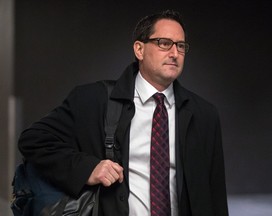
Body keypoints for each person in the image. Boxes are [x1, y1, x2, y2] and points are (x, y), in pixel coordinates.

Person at [18, 9, 229, 216]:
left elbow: (215, 196)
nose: (174, 53)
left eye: (180, 46)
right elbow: (33, 140)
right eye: (164, 43)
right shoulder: (93, 100)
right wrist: (87, 168)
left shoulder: (204, 115)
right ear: (139, 50)